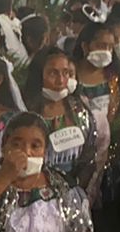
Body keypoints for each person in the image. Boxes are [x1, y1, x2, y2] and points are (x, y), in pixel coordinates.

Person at [22, 46, 104, 192]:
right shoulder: (25, 114)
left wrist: (76, 188)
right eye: (53, 73)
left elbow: (89, 156)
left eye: (65, 73)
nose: (60, 80)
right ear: (38, 76)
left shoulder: (80, 111)